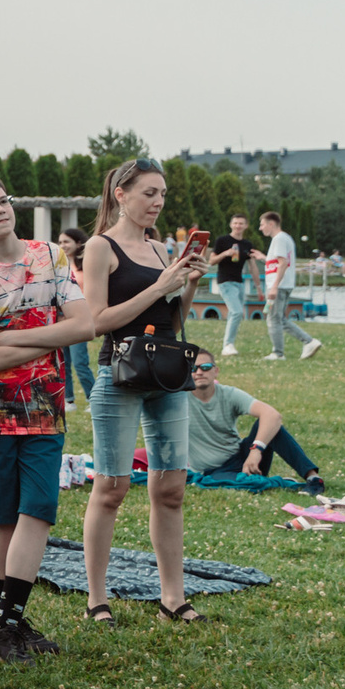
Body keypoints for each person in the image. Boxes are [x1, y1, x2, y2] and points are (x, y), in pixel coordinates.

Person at [0, 174, 92, 656]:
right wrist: (46, 334)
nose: (1, 209)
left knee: (40, 508)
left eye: (4, 201)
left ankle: (6, 622)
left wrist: (7, 338)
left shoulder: (50, 256)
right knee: (4, 516)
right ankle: (9, 623)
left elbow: (85, 324)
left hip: (45, 401)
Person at [83, 161, 208, 625]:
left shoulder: (162, 249)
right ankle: (97, 598)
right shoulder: (100, 247)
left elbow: (173, 321)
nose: (157, 202)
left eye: (162, 194)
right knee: (111, 488)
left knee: (171, 488)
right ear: (121, 193)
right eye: (149, 193)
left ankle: (172, 598)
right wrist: (160, 284)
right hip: (119, 377)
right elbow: (96, 321)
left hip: (168, 376)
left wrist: (188, 283)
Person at [181, 356, 323, 489]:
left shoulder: (228, 394)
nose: (199, 372)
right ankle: (284, 483)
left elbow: (272, 415)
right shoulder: (178, 400)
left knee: (271, 425)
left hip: (245, 459)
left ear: (216, 371)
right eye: (193, 368)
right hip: (213, 471)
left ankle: (313, 478)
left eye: (205, 367)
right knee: (231, 483)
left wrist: (256, 450)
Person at [258, 210, 321, 360]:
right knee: (279, 319)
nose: (260, 228)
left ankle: (279, 353)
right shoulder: (285, 238)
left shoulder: (279, 239)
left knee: (273, 319)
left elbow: (283, 263)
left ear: (271, 224)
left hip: (278, 286)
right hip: (284, 285)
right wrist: (263, 258)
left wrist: (274, 287)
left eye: (262, 224)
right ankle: (309, 342)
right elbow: (278, 262)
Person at [56, 226, 98, 408]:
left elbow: (91, 294)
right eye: (60, 242)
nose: (62, 245)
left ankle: (93, 399)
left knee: (80, 362)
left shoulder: (87, 265)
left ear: (78, 243)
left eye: (66, 241)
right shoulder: (60, 265)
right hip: (60, 320)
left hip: (79, 320)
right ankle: (68, 399)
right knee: (62, 362)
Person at [206, 214, 256, 359]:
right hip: (225, 281)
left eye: (241, 223)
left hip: (239, 282)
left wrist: (258, 287)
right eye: (235, 223)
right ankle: (227, 346)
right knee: (236, 312)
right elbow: (211, 261)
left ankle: (230, 344)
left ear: (245, 226)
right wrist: (225, 253)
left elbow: (252, 266)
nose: (238, 226)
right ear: (231, 224)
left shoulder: (247, 244)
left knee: (237, 313)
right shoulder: (223, 240)